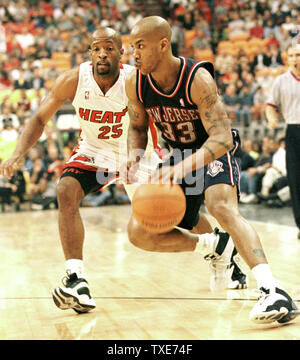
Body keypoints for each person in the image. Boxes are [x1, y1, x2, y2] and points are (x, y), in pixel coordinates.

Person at [0, 27, 244, 315]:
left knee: (178, 215)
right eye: (96, 48)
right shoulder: (74, 80)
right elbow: (40, 118)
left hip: (139, 154)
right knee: (65, 190)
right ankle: (76, 278)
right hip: (95, 153)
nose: (102, 53)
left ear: (121, 51)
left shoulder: (136, 79)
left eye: (109, 48)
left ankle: (220, 251)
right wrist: (17, 154)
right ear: (89, 52)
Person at [125, 16, 298, 324]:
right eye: (131, 47)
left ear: (163, 45)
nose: (133, 54)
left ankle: (272, 289)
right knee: (139, 232)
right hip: (178, 155)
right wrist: (133, 156)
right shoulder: (135, 82)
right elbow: (138, 126)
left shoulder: (196, 78)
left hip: (212, 150)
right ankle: (216, 246)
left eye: (140, 46)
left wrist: (180, 170)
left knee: (220, 206)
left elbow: (221, 136)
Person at [265, 44, 300, 239]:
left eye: (299, 55)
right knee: (295, 180)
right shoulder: (281, 81)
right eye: (292, 55)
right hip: (293, 130)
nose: (295, 58)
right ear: (287, 58)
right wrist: (271, 118)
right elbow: (270, 106)